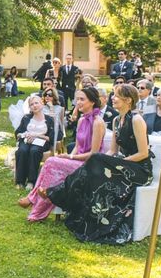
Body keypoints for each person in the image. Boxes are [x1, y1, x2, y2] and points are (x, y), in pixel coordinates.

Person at [40, 84, 152, 244]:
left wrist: (114, 162)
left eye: (116, 96)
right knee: (95, 161)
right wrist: (102, 162)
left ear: (128, 100)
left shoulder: (136, 119)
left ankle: (60, 193)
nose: (112, 98)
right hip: (122, 164)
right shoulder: (115, 120)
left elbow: (143, 153)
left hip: (139, 169)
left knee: (96, 159)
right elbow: (112, 151)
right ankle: (73, 205)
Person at [20, 87, 105, 222]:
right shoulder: (82, 120)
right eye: (77, 99)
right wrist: (69, 158)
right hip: (78, 161)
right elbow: (77, 146)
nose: (78, 102)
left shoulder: (98, 122)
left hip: (90, 164)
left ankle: (33, 200)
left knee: (51, 162)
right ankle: (37, 209)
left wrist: (70, 157)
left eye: (82, 99)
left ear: (93, 101)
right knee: (52, 166)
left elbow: (94, 154)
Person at [14, 95, 55, 189]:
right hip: (26, 139)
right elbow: (18, 132)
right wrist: (24, 135)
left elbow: (54, 136)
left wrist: (37, 135)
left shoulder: (49, 119)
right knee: (22, 151)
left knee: (34, 151)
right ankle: (20, 181)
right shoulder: (26, 118)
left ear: (42, 103)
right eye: (31, 104)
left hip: (41, 141)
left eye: (36, 103)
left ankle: (31, 181)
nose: (34, 106)